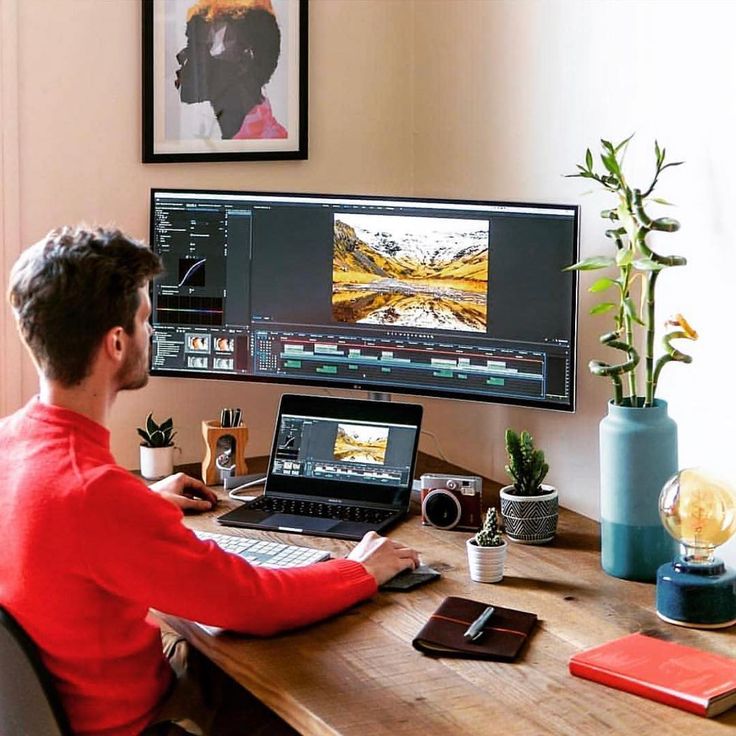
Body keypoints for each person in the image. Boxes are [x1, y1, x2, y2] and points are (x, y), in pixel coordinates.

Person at [0, 225, 419, 736]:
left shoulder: (13, 444)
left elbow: (58, 529)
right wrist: (361, 570)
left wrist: (141, 503)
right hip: (146, 724)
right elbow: (255, 603)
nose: (151, 335)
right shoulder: (96, 496)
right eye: (145, 320)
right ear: (115, 343)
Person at [175, 0, 288, 140]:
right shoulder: (224, 138)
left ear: (244, 60)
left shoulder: (269, 143)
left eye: (201, 45)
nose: (181, 56)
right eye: (191, 43)